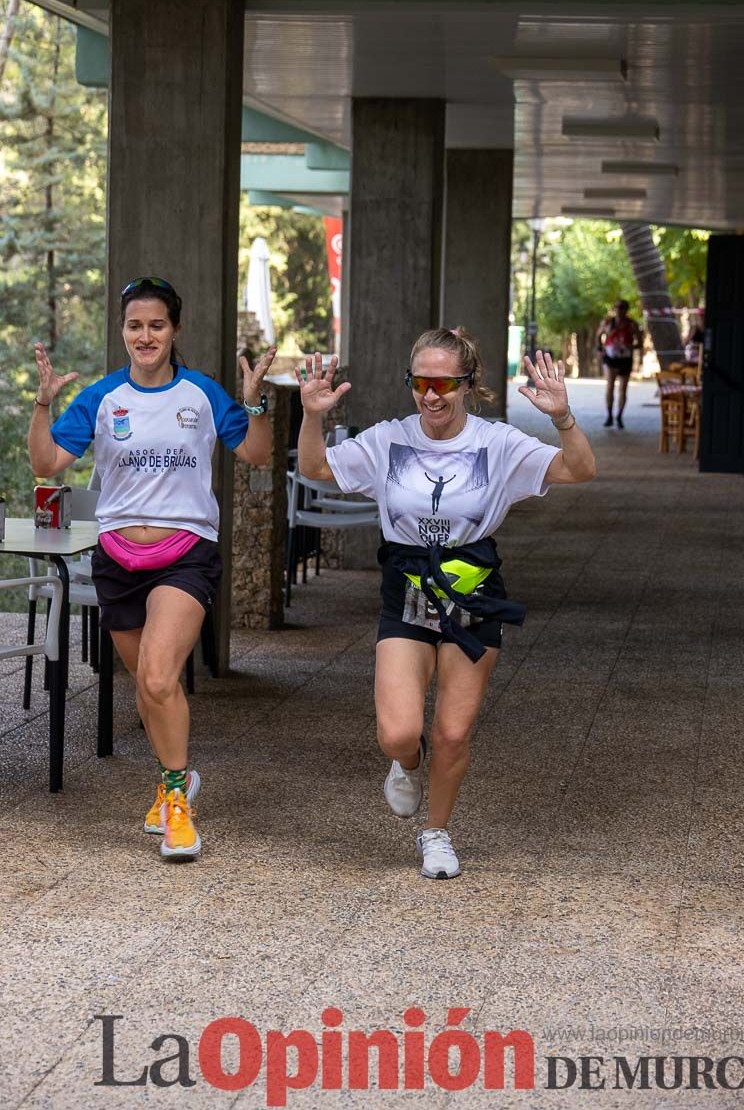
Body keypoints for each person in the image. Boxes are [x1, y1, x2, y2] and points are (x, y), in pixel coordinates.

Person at [295, 329, 596, 879]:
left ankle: (436, 832)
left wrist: (563, 418)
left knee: (454, 732)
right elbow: (315, 468)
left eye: (445, 384)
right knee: (399, 732)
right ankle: (407, 764)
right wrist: (312, 416)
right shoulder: (389, 439)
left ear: (467, 384)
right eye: (421, 383)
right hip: (406, 587)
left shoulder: (497, 442)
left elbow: (579, 470)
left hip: (473, 588)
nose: (432, 396)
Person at [28, 277, 276, 860]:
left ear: (175, 330)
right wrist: (42, 403)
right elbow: (46, 464)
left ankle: (176, 803)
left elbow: (257, 454)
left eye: (156, 325)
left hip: (185, 553)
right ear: (123, 331)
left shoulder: (202, 395)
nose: (146, 336)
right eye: (135, 326)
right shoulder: (101, 398)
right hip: (117, 559)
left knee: (161, 678)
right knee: (148, 685)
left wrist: (255, 401)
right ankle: (177, 779)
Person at [595, 299, 643, 428]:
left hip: (625, 359)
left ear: (626, 310)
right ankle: (609, 415)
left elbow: (640, 342)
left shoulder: (632, 324)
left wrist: (629, 347)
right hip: (610, 358)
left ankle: (619, 416)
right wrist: (601, 348)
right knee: (610, 386)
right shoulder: (607, 323)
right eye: (617, 307)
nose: (619, 310)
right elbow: (598, 335)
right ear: (614, 309)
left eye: (622, 308)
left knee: (623, 389)